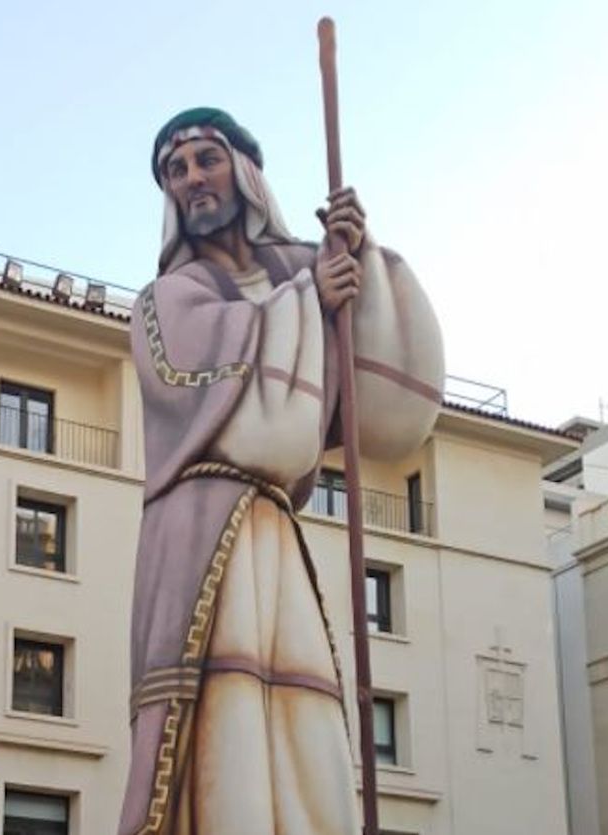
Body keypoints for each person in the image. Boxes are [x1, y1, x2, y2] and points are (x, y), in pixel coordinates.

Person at [118, 107, 445, 834]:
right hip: (199, 525)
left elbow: (378, 399)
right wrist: (311, 299)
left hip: (274, 522)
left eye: (206, 158)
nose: (193, 178)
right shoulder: (166, 297)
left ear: (245, 170)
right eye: (177, 170)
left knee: (301, 698)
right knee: (217, 702)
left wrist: (361, 254)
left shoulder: (298, 265)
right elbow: (196, 366)